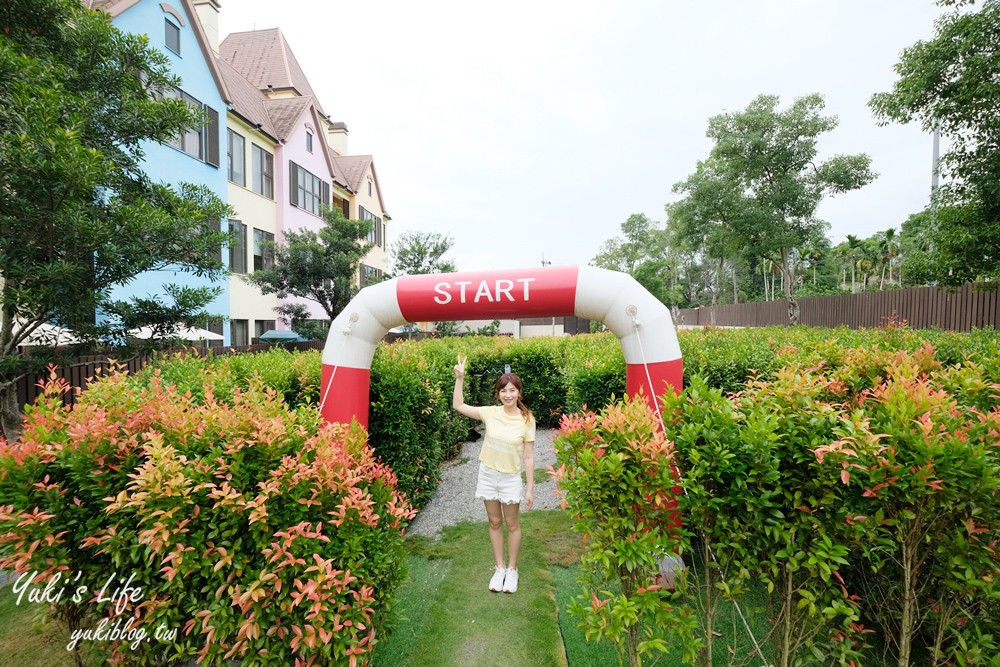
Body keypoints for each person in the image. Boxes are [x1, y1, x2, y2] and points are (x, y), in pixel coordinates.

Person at [452, 354, 536, 593]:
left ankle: (512, 569)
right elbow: (458, 405)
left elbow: (528, 456)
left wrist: (530, 488)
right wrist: (460, 378)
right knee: (494, 521)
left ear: (519, 393)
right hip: (488, 474)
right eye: (503, 391)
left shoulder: (527, 419)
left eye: (512, 390)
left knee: (512, 523)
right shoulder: (490, 412)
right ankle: (499, 567)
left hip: (510, 477)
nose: (507, 395)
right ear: (498, 394)